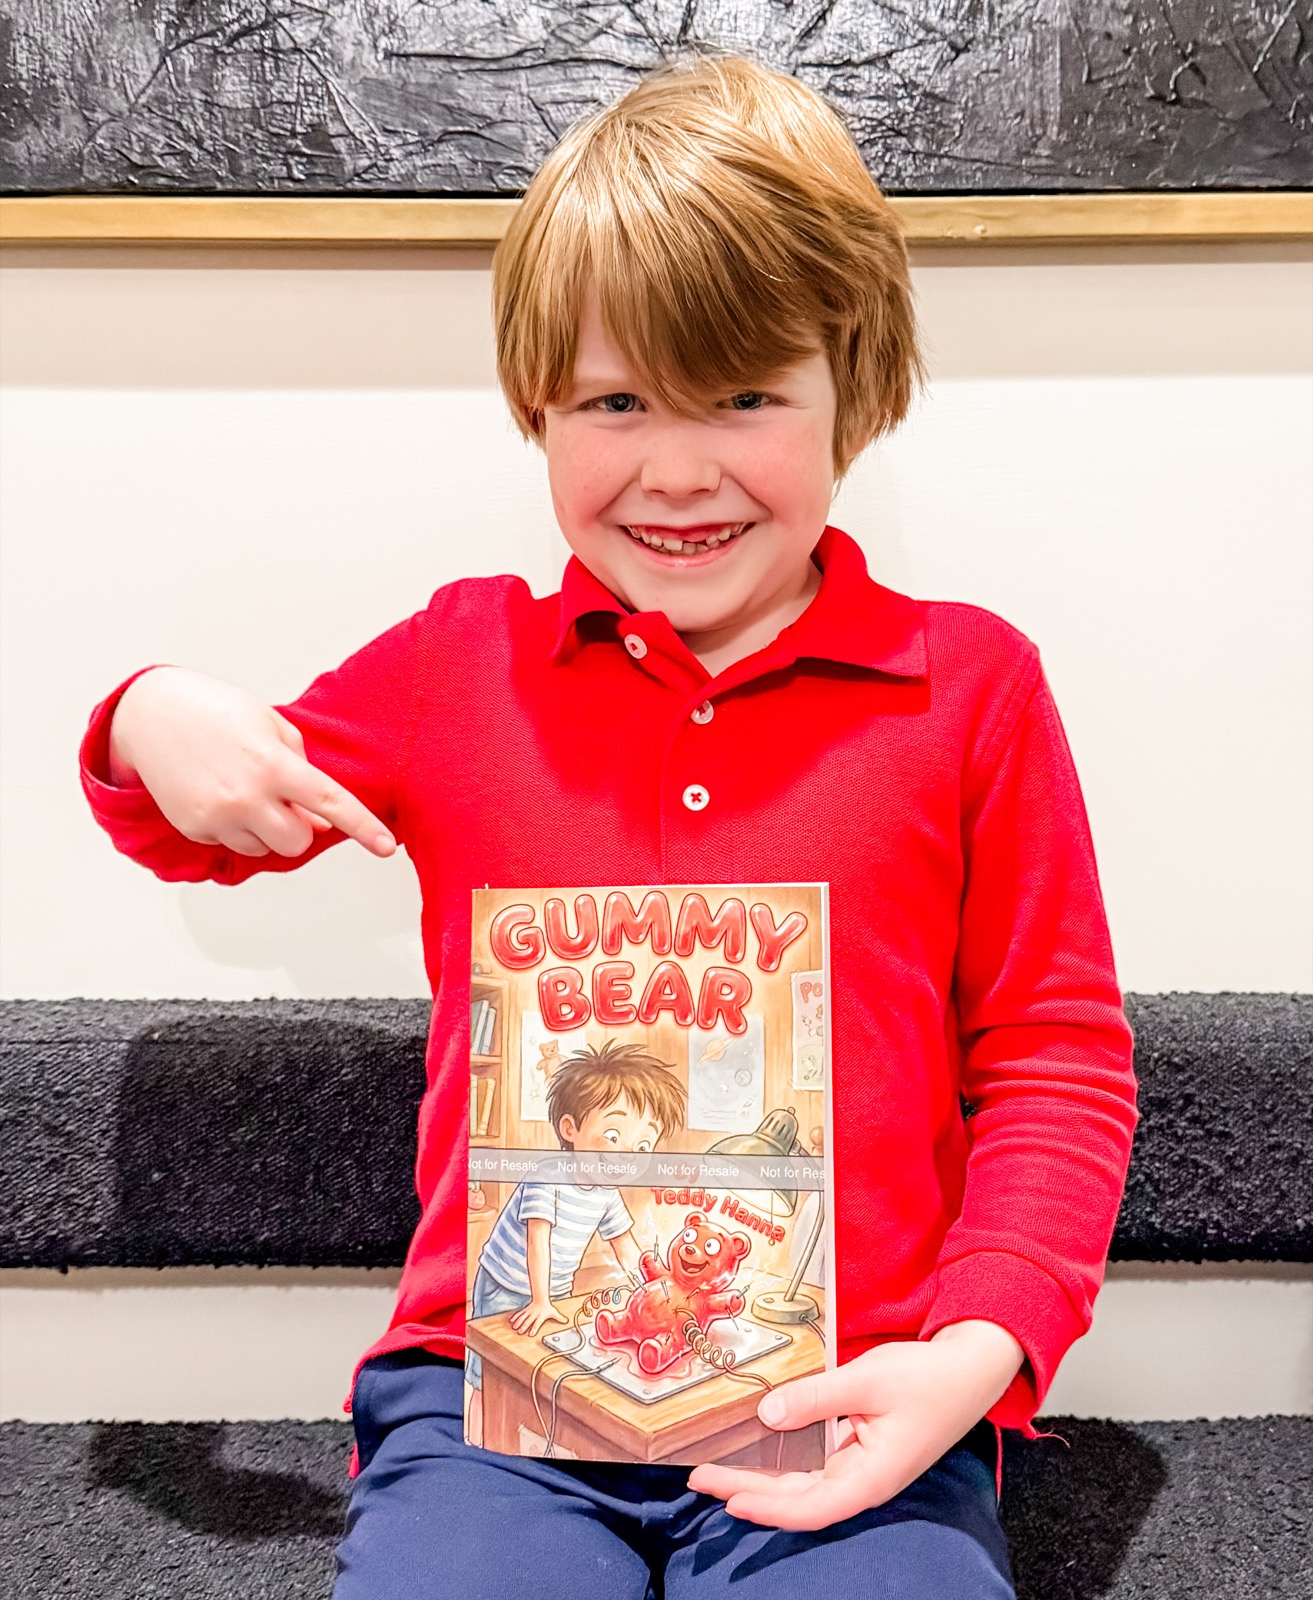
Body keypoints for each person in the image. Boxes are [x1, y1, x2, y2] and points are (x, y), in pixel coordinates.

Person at [80, 48, 1138, 1600]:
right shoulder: (460, 668)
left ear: (860, 390)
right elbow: (204, 817)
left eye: (748, 396)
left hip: (847, 1406)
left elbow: (1053, 1058)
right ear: (537, 408)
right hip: (488, 1407)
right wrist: (147, 712)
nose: (679, 467)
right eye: (616, 399)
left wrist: (972, 1357)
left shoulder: (966, 686)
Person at [464, 1040, 687, 1447]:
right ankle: (480, 1441)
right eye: (614, 1134)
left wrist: (657, 1289)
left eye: (642, 1145)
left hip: (553, 1290)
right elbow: (538, 1241)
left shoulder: (605, 1190)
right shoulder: (548, 1175)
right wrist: (540, 1299)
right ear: (571, 1129)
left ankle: (529, 1442)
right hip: (506, 1282)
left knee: (540, 1368)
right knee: (489, 1374)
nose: (627, 1155)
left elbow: (626, 1246)